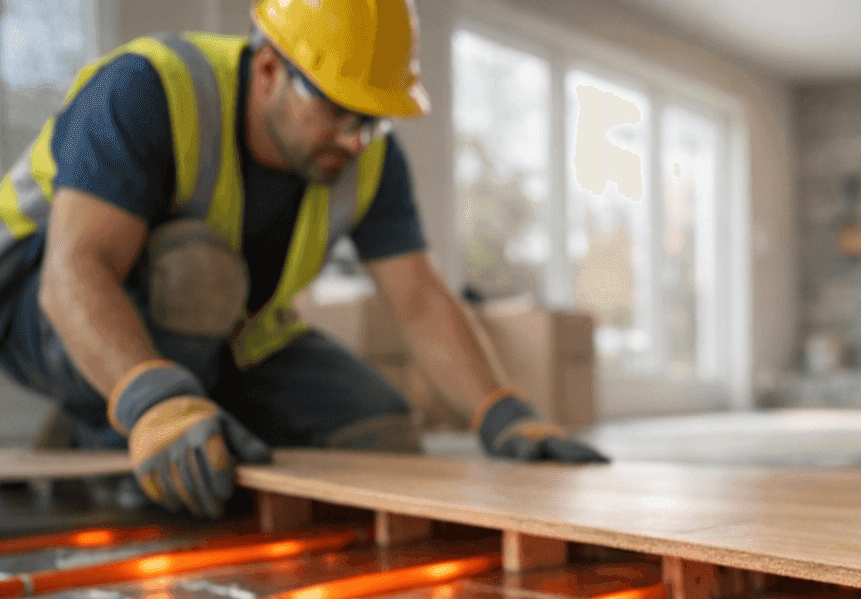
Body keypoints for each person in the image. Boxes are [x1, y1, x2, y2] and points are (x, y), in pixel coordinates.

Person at [0, 0, 606, 519]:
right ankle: (115, 425)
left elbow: (419, 300)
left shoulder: (367, 157)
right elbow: (75, 270)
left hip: (228, 333)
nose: (354, 137)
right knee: (197, 274)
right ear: (269, 67)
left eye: (370, 118)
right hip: (39, 302)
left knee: (381, 437)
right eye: (339, 108)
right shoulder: (148, 88)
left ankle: (178, 413)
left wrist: (500, 412)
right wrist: (153, 401)